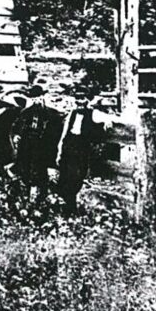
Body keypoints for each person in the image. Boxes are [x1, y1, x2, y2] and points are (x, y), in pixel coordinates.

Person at [56, 85, 109, 215]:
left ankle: (72, 209)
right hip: (68, 148)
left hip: (81, 150)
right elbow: (64, 133)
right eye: (77, 98)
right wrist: (59, 151)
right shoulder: (72, 113)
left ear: (87, 100)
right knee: (64, 178)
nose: (79, 102)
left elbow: (108, 118)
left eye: (82, 98)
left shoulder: (93, 113)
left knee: (76, 179)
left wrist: (107, 120)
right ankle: (66, 210)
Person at [11, 83, 64, 202]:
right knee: (25, 167)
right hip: (27, 143)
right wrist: (17, 135)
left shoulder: (51, 114)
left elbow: (56, 132)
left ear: (43, 97)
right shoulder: (26, 112)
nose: (36, 100)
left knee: (41, 169)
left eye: (38, 97)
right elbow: (17, 126)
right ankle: (26, 195)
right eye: (33, 98)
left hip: (42, 145)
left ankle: (42, 196)